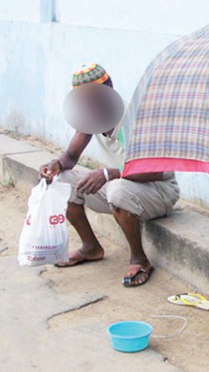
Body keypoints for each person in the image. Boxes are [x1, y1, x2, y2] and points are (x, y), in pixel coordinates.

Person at [39, 64, 179, 287]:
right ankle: (91, 248)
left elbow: (155, 170)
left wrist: (108, 173)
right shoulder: (91, 118)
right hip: (126, 187)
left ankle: (139, 259)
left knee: (117, 188)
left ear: (110, 89)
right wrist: (55, 164)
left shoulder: (135, 118)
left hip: (159, 190)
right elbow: (71, 155)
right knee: (62, 180)